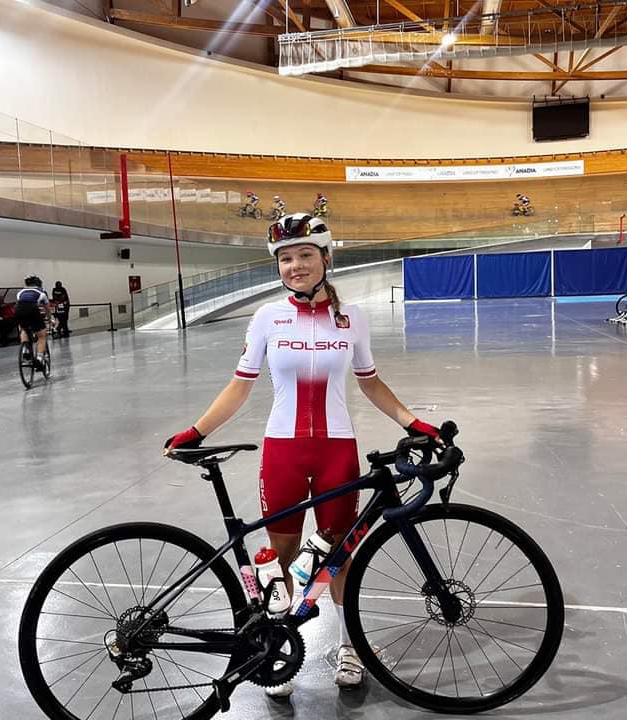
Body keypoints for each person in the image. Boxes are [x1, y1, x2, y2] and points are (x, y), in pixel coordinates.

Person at [164, 212, 442, 698]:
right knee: (282, 557)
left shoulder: (352, 318)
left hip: (336, 450)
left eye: (305, 255)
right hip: (283, 452)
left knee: (339, 555)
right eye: (286, 258)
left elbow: (370, 381)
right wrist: (196, 431)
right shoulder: (267, 317)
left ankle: (349, 646)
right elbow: (239, 386)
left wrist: (411, 422)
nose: (295, 265)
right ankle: (275, 649)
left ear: (326, 259)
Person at [15, 275, 50, 370]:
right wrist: (50, 319)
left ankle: (25, 350)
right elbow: (47, 308)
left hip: (18, 310)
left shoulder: (20, 292)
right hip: (32, 310)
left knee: (24, 329)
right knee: (42, 336)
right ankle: (39, 358)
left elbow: (21, 304)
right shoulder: (42, 292)